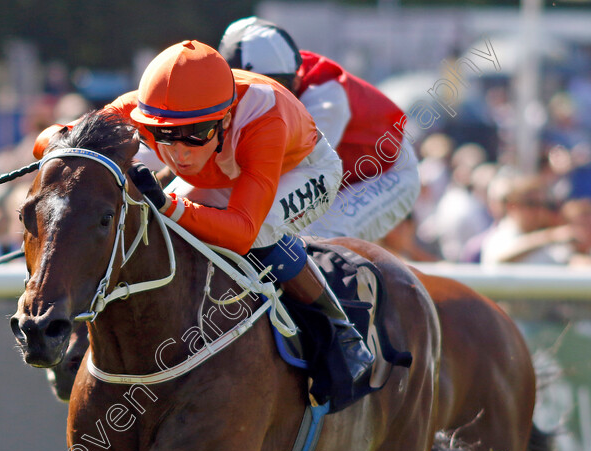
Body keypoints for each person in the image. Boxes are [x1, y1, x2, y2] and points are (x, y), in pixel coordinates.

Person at [34, 40, 375, 391]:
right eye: (164, 134)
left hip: (299, 169)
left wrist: (169, 205)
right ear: (146, 116)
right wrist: (64, 145)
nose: (179, 152)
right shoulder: (142, 106)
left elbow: (242, 231)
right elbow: (50, 140)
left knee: (258, 234)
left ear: (225, 118)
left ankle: (341, 332)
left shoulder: (264, 118)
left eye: (194, 133)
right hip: (219, 168)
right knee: (153, 226)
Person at [218, 17, 421, 244]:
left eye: (277, 87)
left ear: (296, 76)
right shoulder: (281, 66)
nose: (267, 100)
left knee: (315, 237)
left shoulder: (326, 98)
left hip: (386, 173)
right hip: (339, 175)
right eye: (252, 90)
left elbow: (291, 171)